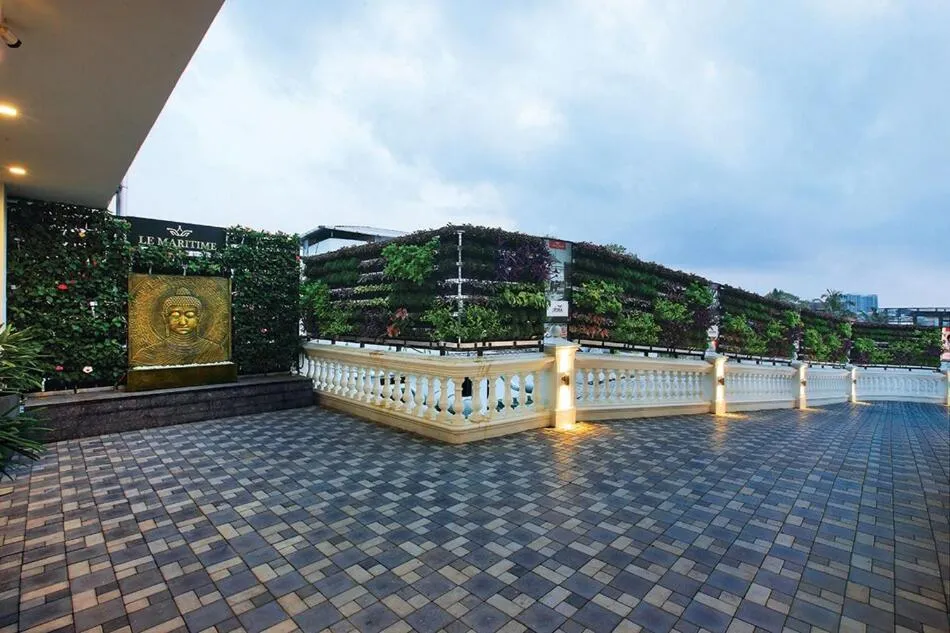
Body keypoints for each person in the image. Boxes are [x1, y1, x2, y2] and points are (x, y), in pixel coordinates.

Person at [131, 288, 227, 366]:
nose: (182, 322)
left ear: (199, 318)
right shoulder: (148, 354)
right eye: (175, 315)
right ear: (165, 318)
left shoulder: (215, 350)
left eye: (189, 315)